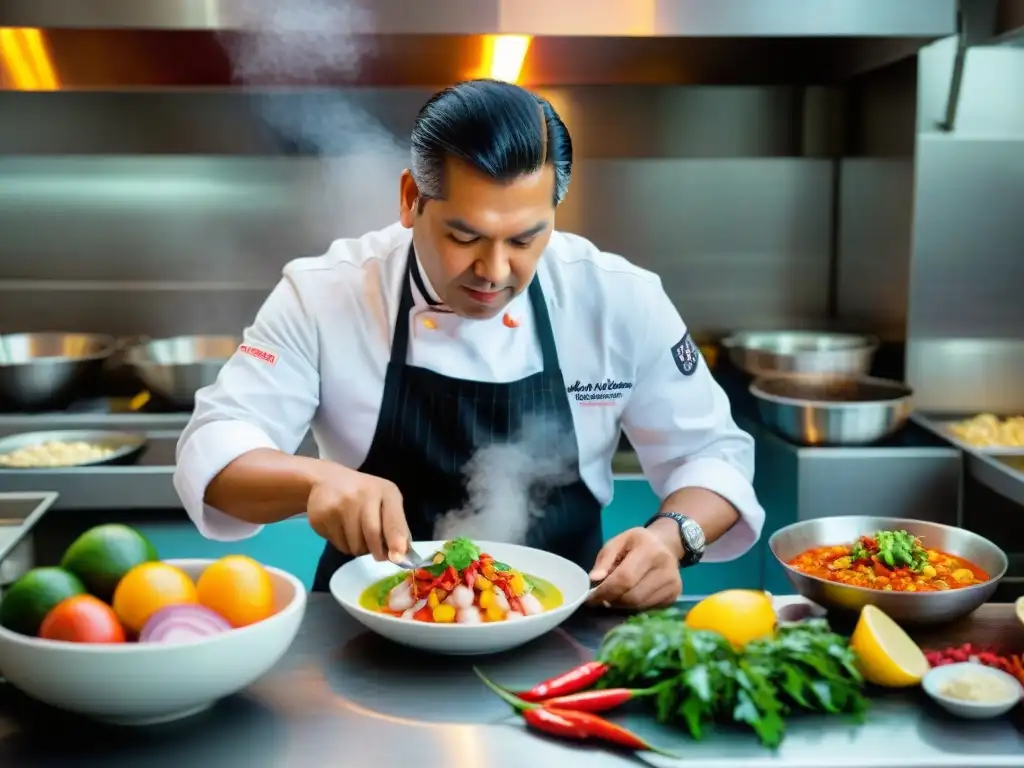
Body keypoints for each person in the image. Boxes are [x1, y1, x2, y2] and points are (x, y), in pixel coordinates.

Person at [173, 78, 765, 609]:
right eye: (465, 236)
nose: (495, 270)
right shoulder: (325, 292)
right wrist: (315, 482)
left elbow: (713, 454)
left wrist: (672, 537)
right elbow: (217, 451)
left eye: (526, 239)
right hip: (365, 628)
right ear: (410, 199)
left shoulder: (617, 297)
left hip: (566, 624)